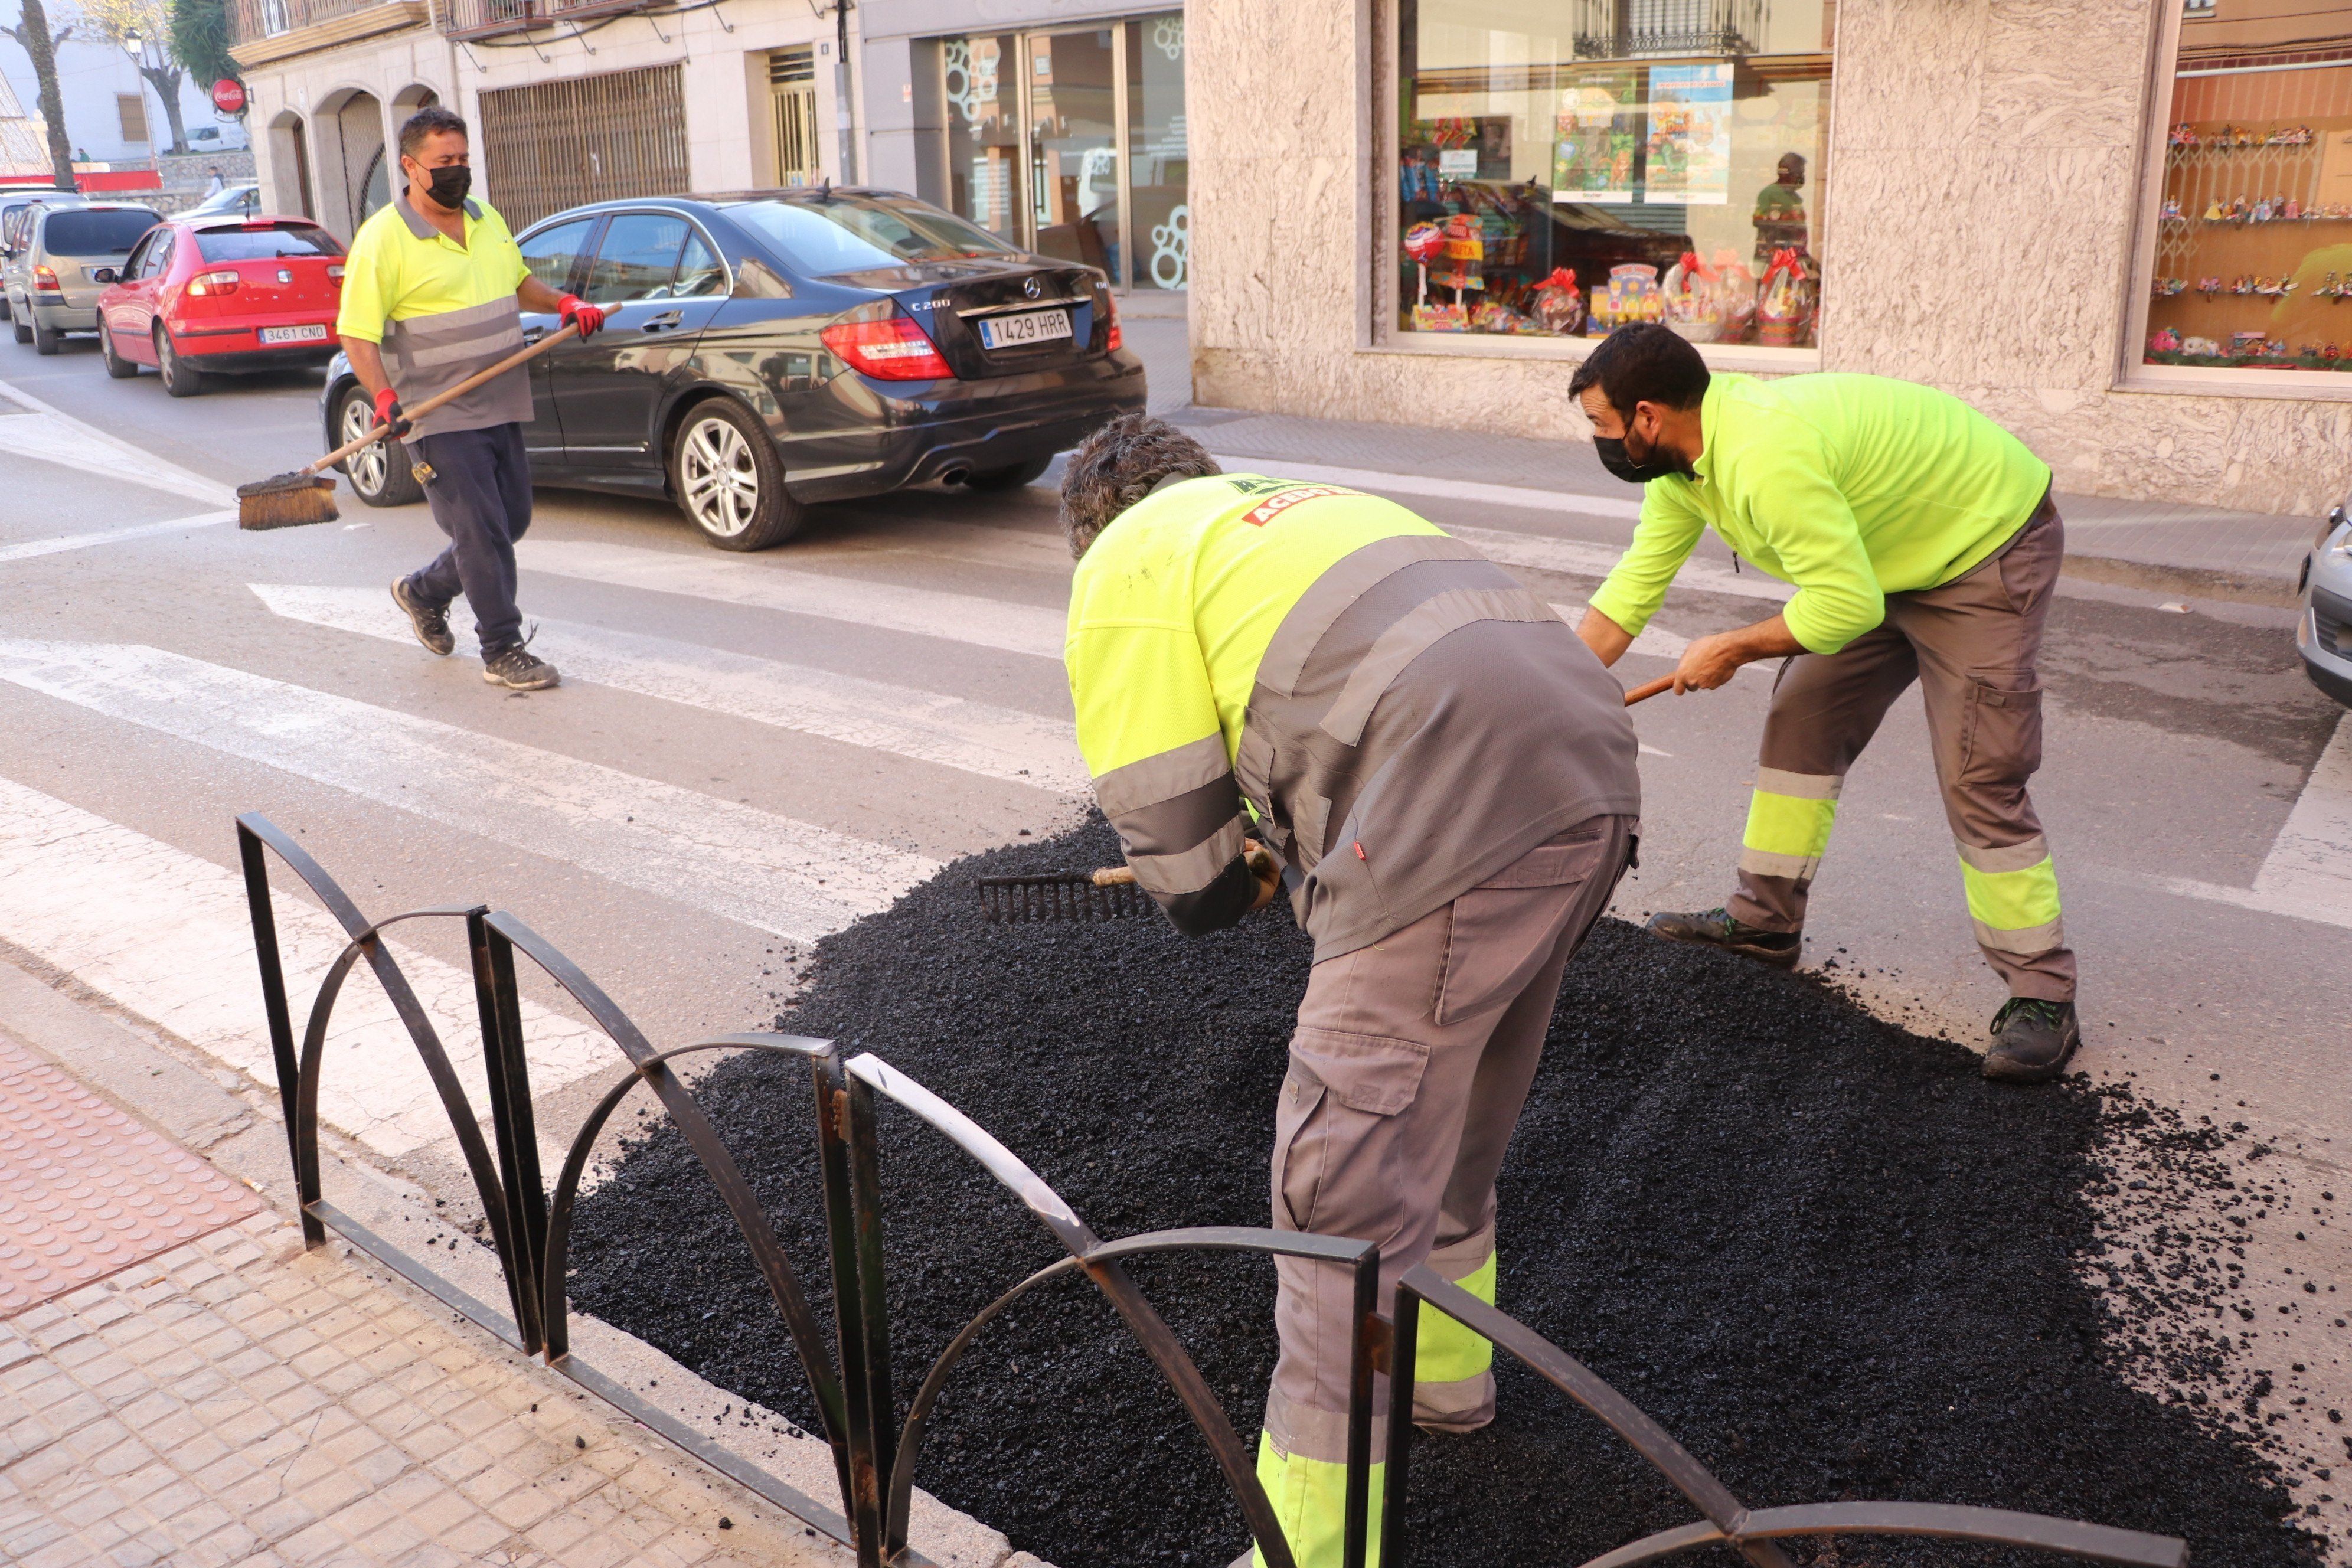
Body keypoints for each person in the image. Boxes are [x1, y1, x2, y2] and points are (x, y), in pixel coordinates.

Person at [1060, 412, 1641, 1567]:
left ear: (1090, 527)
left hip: (1442, 805)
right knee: (1460, 1112)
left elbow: (1187, 866)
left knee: (1337, 1196)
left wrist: (1238, 873)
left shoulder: (1126, 561)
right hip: (1591, 772)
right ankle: (1444, 1387)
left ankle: (1316, 1550)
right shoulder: (1289, 510)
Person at [1568, 323, 2079, 1083]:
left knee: (1981, 772)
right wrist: (1560, 687)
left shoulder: (1763, 455)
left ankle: (2043, 991)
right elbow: (1635, 586)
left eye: (1601, 424)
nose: (1599, 440)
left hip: (1983, 546)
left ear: (1648, 417)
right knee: (1801, 717)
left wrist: (1735, 646)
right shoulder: (1684, 469)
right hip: (1877, 562)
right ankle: (1763, 922)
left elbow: (1840, 607)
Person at [335, 104, 606, 690]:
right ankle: (502, 648)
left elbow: (516, 282)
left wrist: (563, 303)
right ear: (409, 167)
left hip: (501, 397)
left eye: (463, 160)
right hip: (436, 410)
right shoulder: (383, 238)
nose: (458, 171)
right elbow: (356, 332)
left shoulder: (486, 218)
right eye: (444, 162)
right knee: (481, 532)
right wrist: (383, 398)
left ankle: (423, 592)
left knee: (511, 521)